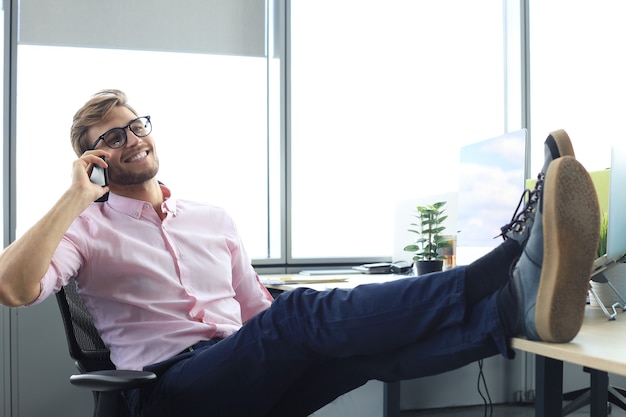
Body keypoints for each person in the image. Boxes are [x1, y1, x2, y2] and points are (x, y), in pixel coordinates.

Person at [0, 90, 600, 417]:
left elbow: (258, 314)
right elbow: (13, 288)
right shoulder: (85, 228)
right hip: (169, 390)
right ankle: (498, 271)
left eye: (136, 125)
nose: (132, 139)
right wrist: (73, 197)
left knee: (358, 351)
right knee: (300, 314)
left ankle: (510, 313)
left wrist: (338, 327)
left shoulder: (213, 219)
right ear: (94, 161)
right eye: (111, 138)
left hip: (236, 362)